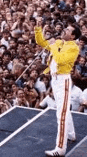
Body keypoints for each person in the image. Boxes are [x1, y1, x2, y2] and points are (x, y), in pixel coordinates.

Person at [35, 18, 81, 156]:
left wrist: (54, 45)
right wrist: (38, 28)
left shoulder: (73, 47)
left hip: (63, 81)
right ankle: (71, 134)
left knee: (61, 114)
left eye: (67, 30)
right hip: (54, 80)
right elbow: (41, 42)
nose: (64, 30)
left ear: (72, 36)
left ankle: (60, 149)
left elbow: (60, 59)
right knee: (64, 109)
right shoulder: (60, 42)